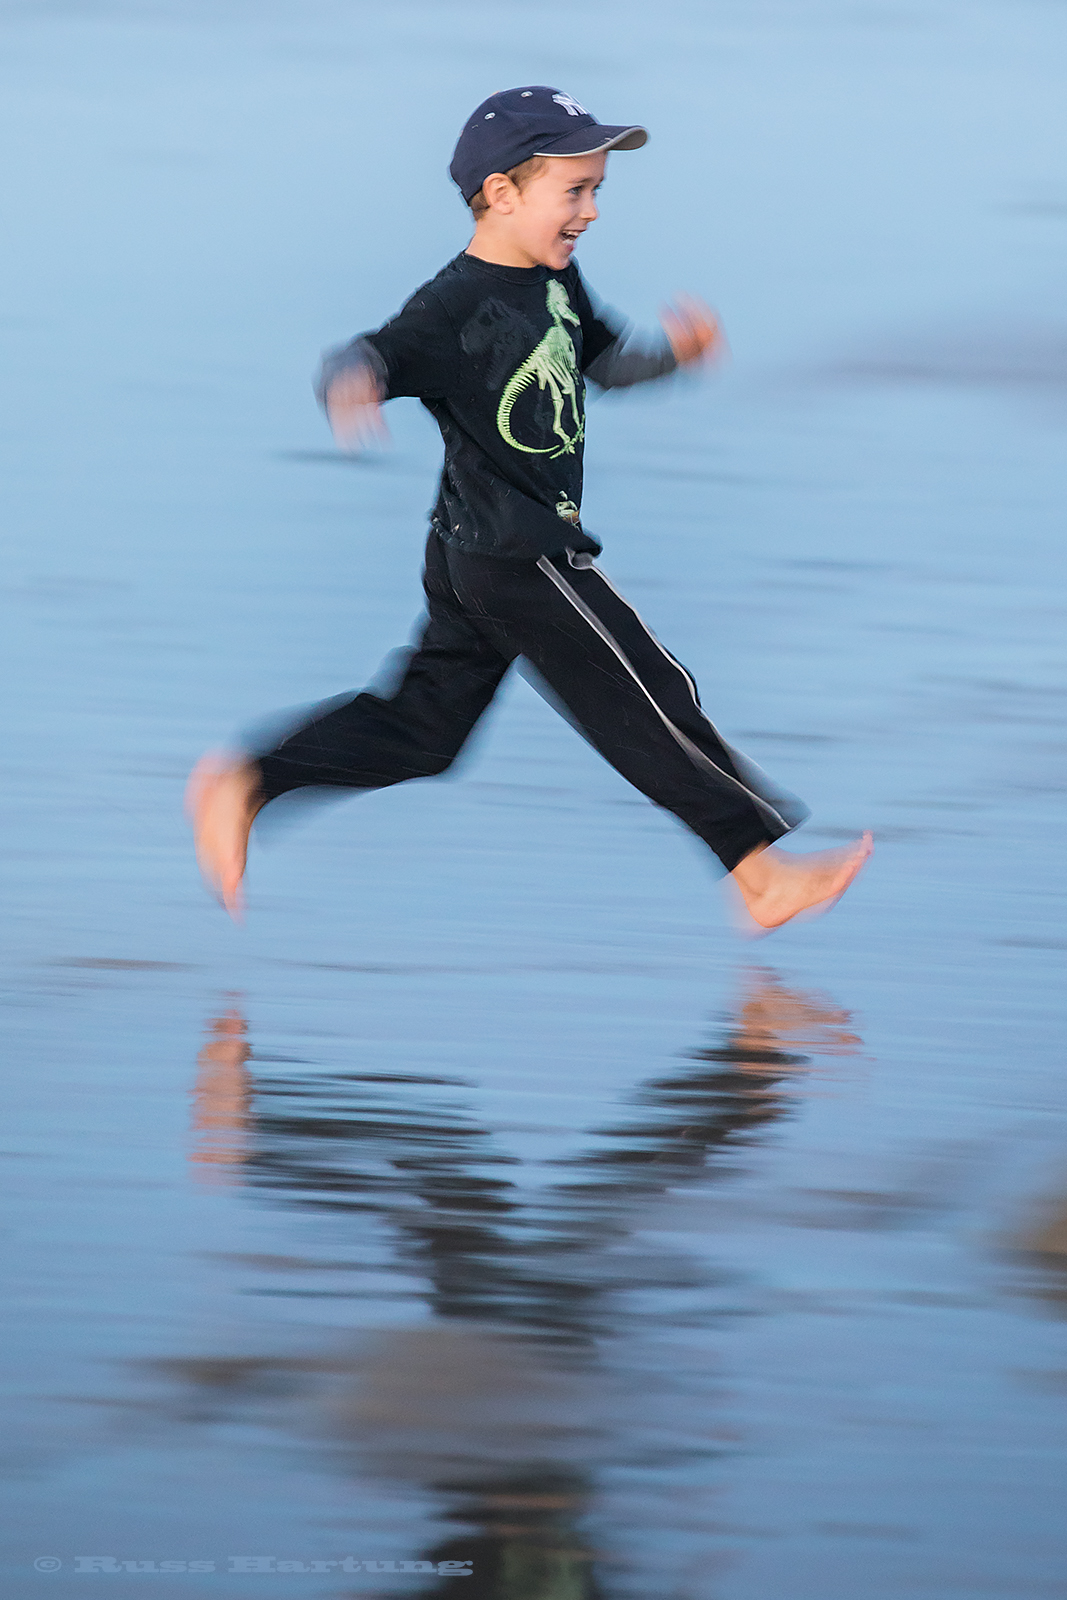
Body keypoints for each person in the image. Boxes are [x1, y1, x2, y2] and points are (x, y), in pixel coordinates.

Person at [187, 85, 871, 928]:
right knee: (649, 691)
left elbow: (605, 360)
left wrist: (674, 357)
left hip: (477, 552)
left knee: (424, 733)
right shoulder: (452, 307)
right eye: (573, 191)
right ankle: (758, 876)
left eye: (596, 192)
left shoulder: (555, 281)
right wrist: (355, 382)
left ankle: (249, 780)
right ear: (502, 194)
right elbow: (376, 352)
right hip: (519, 554)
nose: (588, 212)